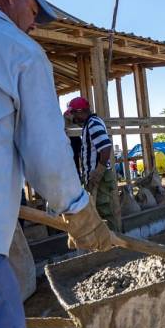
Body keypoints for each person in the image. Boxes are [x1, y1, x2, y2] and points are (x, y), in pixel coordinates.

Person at [0, 0, 116, 328]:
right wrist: (76, 209)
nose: (35, 26)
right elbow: (45, 151)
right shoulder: (15, 49)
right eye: (36, 13)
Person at [66, 97, 120, 232]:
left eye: (73, 114)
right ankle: (108, 241)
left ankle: (114, 241)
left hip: (99, 175)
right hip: (95, 175)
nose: (73, 118)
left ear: (80, 111)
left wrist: (98, 171)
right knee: (98, 210)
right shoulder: (89, 124)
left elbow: (106, 148)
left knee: (104, 210)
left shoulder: (92, 124)